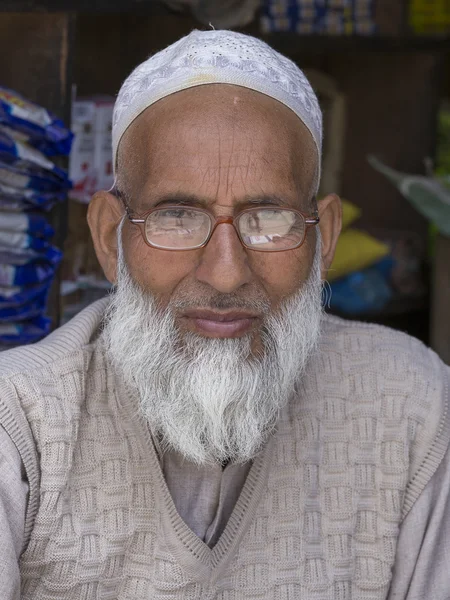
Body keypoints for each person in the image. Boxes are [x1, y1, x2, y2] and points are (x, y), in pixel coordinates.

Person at [0, 29, 449, 600]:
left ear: (324, 238)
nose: (225, 273)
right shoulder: (21, 425)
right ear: (111, 237)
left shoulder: (409, 405)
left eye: (268, 218)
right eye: (177, 217)